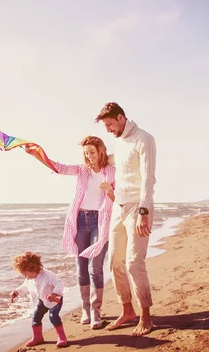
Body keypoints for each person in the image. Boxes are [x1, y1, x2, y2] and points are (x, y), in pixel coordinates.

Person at [95, 102, 157, 337]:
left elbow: (148, 179)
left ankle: (146, 316)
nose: (109, 130)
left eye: (110, 124)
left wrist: (144, 212)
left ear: (121, 118)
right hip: (119, 208)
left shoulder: (144, 139)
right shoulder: (119, 141)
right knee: (115, 261)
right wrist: (99, 157)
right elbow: (118, 161)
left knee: (133, 262)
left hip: (138, 208)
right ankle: (127, 311)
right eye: (106, 127)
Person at [50, 136, 116, 329]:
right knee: (81, 268)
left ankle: (96, 311)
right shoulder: (81, 170)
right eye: (86, 153)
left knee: (95, 267)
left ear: (101, 151)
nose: (89, 156)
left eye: (92, 152)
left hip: (100, 221)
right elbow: (58, 167)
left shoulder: (111, 171)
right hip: (79, 220)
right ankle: (86, 309)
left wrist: (109, 190)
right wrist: (36, 153)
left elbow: (119, 196)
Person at [10, 251, 68, 347]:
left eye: (25, 274)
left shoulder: (48, 275)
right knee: (35, 318)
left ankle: (62, 337)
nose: (25, 277)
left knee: (53, 316)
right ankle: (38, 338)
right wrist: (16, 292)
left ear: (32, 268)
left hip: (55, 300)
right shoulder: (30, 278)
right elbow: (25, 286)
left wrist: (54, 293)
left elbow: (60, 283)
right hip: (42, 301)